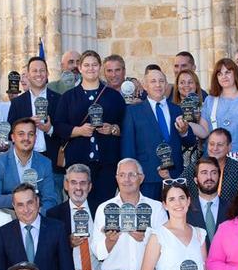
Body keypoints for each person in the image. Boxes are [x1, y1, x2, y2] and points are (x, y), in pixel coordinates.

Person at [53, 50, 128, 208]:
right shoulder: (68, 97)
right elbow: (59, 126)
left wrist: (113, 129)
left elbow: (126, 125)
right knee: (80, 207)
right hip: (78, 162)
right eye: (86, 65)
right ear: (80, 68)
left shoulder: (113, 96)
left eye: (94, 65)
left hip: (107, 162)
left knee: (104, 206)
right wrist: (78, 131)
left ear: (99, 67)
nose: (90, 68)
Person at [90, 159, 165, 270]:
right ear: (116, 178)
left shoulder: (156, 208)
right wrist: (110, 241)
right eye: (122, 175)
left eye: (132, 175)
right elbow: (98, 251)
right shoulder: (104, 209)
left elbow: (166, 247)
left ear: (141, 178)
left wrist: (146, 239)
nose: (126, 179)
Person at [122, 65, 195, 199]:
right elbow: (128, 147)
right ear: (145, 86)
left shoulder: (177, 110)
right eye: (153, 81)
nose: (158, 85)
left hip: (174, 175)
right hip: (146, 176)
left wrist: (184, 131)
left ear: (166, 84)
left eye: (161, 81)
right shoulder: (133, 111)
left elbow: (190, 142)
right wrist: (131, 175)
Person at [44, 164, 101, 270]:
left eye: (83, 183)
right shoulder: (54, 214)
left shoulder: (101, 210)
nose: (78, 188)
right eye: (74, 182)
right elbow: (49, 252)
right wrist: (66, 242)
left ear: (90, 186)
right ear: (66, 185)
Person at [7, 56, 63, 197]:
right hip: (25, 161)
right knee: (26, 200)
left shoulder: (59, 99)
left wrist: (49, 129)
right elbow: (9, 132)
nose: (39, 74)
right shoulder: (17, 103)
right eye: (34, 71)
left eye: (42, 70)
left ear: (47, 73)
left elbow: (65, 130)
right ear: (27, 75)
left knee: (53, 201)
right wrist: (25, 125)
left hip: (51, 161)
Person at [0, 118, 60, 211]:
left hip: (36, 214)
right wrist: (22, 198)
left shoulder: (45, 163)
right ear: (13, 138)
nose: (26, 138)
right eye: (21, 134)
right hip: (9, 216)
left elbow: (50, 199)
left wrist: (38, 216)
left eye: (30, 134)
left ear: (35, 137)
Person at [171, 68, 209, 175]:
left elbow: (205, 133)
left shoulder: (205, 108)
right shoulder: (171, 109)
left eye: (190, 82)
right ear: (177, 87)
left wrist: (196, 120)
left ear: (196, 85)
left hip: (201, 158)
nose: (186, 85)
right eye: (182, 82)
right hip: (179, 159)